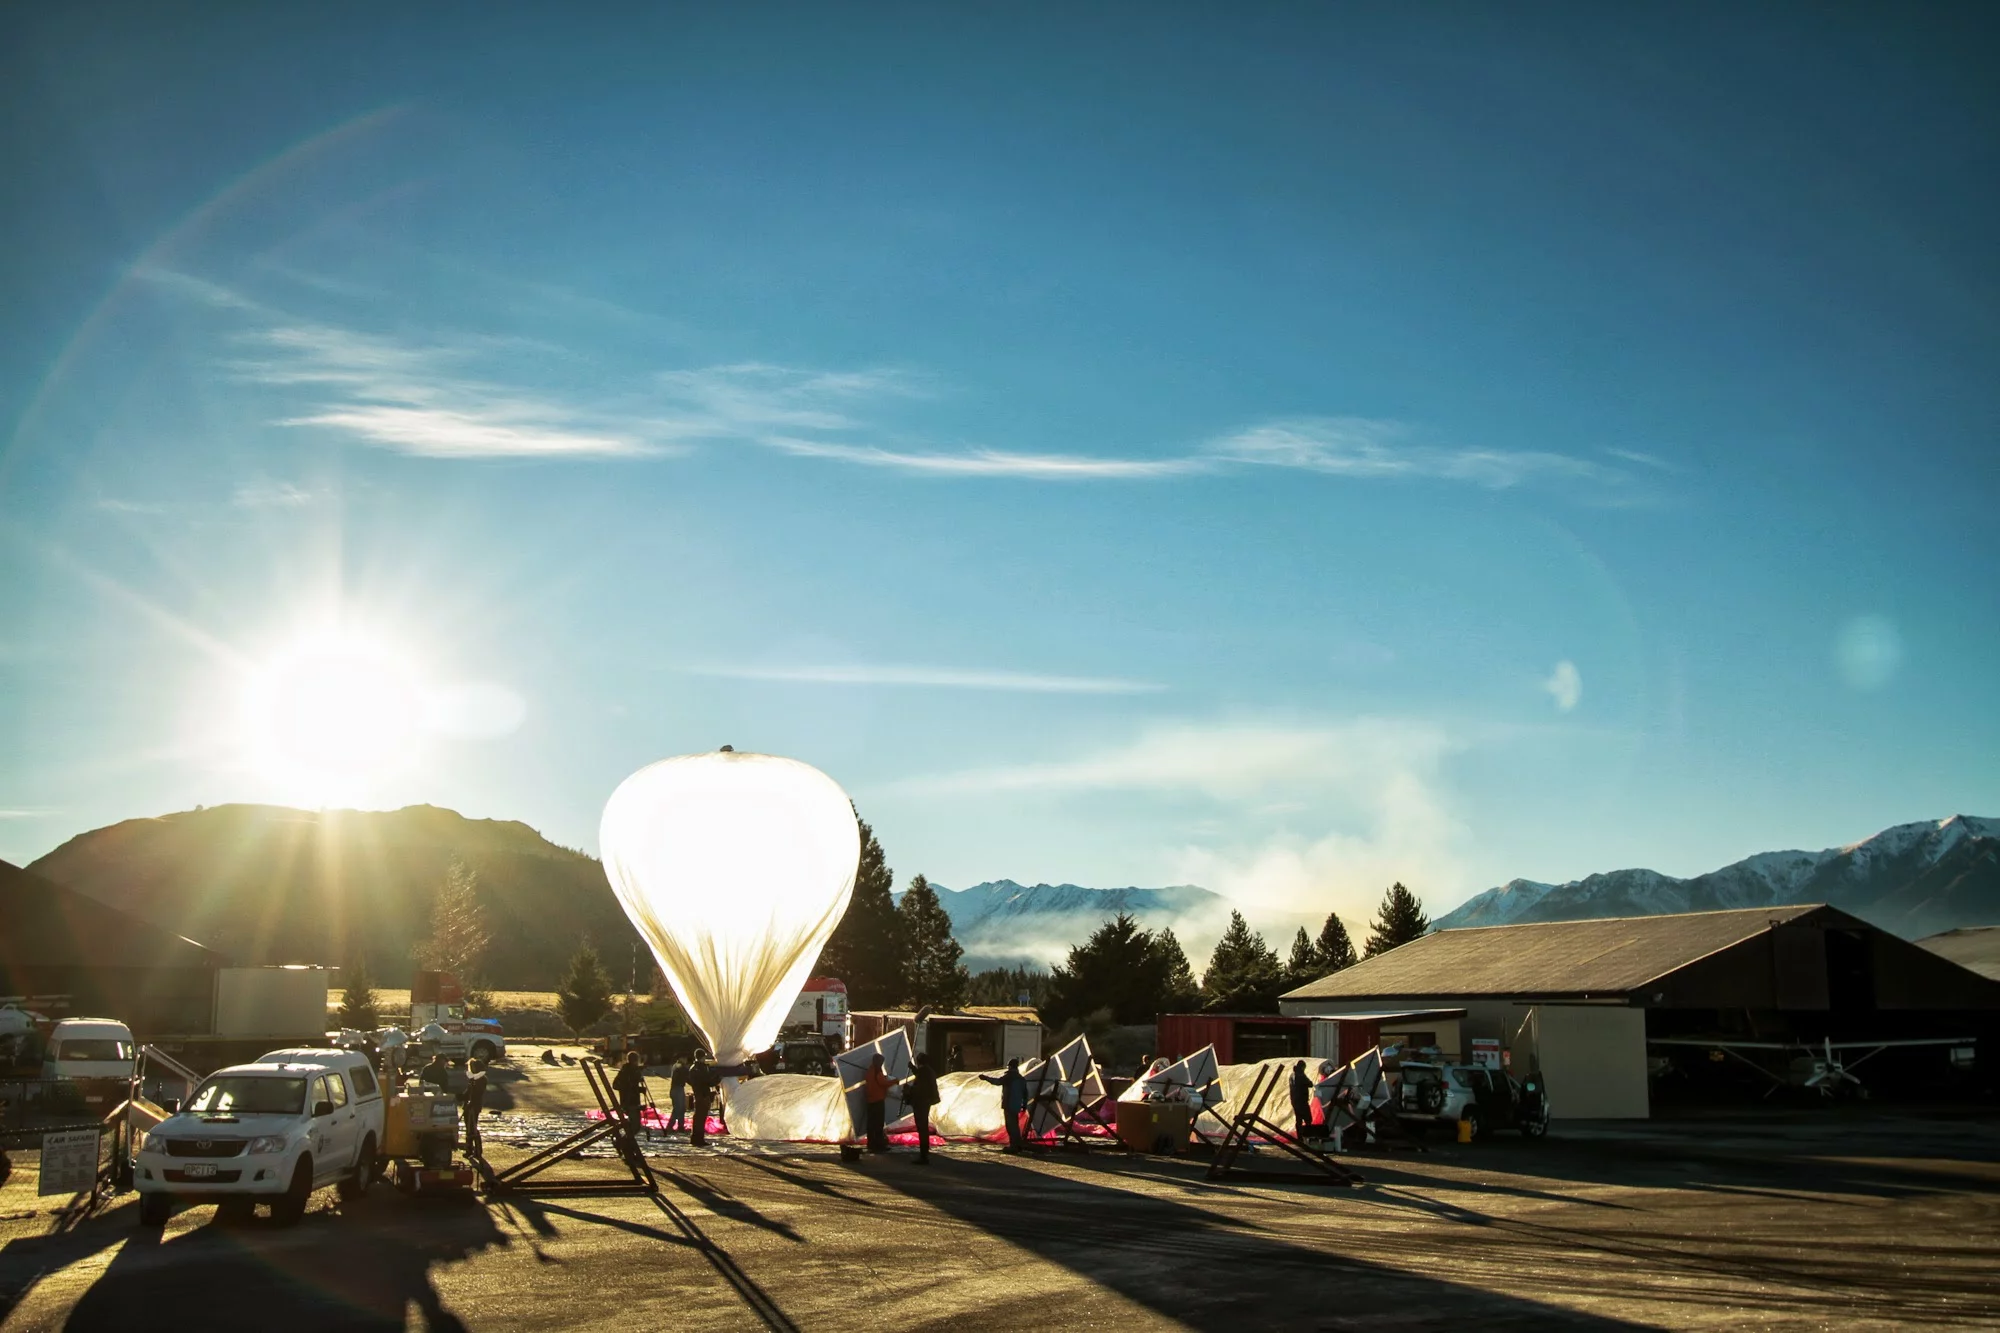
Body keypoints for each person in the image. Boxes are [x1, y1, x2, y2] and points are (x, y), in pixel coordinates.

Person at [981, 1057, 1028, 1150]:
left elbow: (997, 1082)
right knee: (1015, 1125)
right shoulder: (1021, 1078)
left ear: (1010, 1067)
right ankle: (1017, 1144)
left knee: (1010, 1126)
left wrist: (985, 1078)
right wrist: (1024, 1105)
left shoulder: (1009, 1077)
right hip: (1017, 1105)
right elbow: (1025, 1093)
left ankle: (1014, 1146)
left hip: (1009, 1104)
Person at [903, 1053, 940, 1164]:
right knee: (923, 1127)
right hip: (925, 1102)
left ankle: (923, 1155)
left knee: (922, 1128)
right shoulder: (927, 1071)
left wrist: (908, 1089)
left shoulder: (925, 1072)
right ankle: (924, 1153)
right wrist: (913, 1068)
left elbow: (920, 1088)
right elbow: (920, 1074)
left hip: (921, 1103)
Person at [612, 1050, 647, 1135]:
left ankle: (627, 1139)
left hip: (631, 1101)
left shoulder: (628, 1070)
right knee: (635, 1126)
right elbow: (618, 1085)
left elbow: (631, 1086)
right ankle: (627, 1140)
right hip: (630, 1102)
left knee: (635, 1125)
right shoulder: (627, 1071)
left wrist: (639, 1089)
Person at [863, 1054, 891, 1152]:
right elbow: (883, 1083)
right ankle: (879, 1145)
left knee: (871, 1124)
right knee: (878, 1123)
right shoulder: (877, 1071)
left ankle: (871, 1143)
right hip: (878, 1100)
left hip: (870, 1100)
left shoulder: (870, 1070)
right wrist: (894, 1081)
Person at [462, 1054, 489, 1157]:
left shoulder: (480, 1079)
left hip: (473, 1106)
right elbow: (468, 1092)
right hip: (471, 1105)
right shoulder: (475, 1079)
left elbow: (475, 1093)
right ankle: (472, 1150)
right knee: (470, 1128)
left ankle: (475, 1151)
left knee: (471, 1128)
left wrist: (469, 1102)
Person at [687, 1051, 714, 1147]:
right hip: (703, 1095)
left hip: (698, 1095)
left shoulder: (693, 1068)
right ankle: (699, 1139)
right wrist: (718, 1078)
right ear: (702, 1057)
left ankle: (695, 1138)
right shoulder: (700, 1068)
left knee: (698, 1118)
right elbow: (707, 1081)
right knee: (701, 1118)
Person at [1289, 1060, 1313, 1141]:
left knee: (1298, 1120)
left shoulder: (1292, 1075)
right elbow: (1310, 1084)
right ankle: (1307, 1137)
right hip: (1302, 1101)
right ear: (1302, 1067)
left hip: (1295, 1101)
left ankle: (1300, 1138)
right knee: (1308, 1119)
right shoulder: (1301, 1075)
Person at [667, 1054, 689, 1132]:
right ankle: (670, 1126)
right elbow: (686, 1076)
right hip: (677, 1090)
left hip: (678, 1089)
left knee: (681, 1108)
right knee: (678, 1109)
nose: (686, 1060)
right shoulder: (679, 1066)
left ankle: (680, 1126)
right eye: (685, 1058)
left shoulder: (677, 1066)